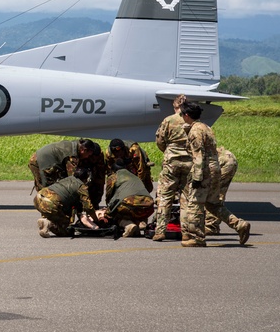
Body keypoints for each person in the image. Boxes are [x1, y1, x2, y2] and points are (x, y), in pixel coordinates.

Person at [180, 102, 251, 247]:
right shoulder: (205, 127)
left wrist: (197, 177)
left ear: (187, 116)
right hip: (215, 168)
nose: (181, 117)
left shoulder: (195, 131)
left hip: (204, 170)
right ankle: (239, 224)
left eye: (182, 114)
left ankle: (198, 238)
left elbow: (198, 154)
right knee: (213, 204)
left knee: (195, 204)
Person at [152, 95, 192, 242]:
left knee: (165, 196)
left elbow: (160, 140)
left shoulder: (168, 120)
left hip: (171, 162)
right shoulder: (192, 121)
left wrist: (169, 151)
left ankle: (160, 231)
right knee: (185, 199)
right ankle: (186, 232)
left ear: (175, 106)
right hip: (189, 162)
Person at [28, 138, 107, 206]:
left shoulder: (79, 146)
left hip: (51, 162)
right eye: (88, 155)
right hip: (39, 161)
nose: (87, 158)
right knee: (46, 188)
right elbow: (72, 180)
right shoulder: (72, 156)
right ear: (83, 150)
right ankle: (47, 210)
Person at [34, 166, 98, 237]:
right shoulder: (81, 187)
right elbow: (88, 207)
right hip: (50, 202)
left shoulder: (69, 179)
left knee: (57, 212)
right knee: (67, 227)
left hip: (39, 197)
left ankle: (45, 224)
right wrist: (96, 220)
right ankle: (49, 223)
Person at [96, 166, 156, 237]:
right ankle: (139, 224)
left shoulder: (114, 177)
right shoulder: (135, 177)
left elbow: (109, 196)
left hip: (130, 202)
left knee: (116, 214)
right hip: (148, 205)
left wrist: (108, 211)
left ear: (113, 171)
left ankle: (128, 225)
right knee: (134, 210)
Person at [205, 146, 239, 235]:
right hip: (228, 158)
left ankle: (211, 226)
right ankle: (211, 224)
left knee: (212, 195)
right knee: (218, 193)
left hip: (223, 162)